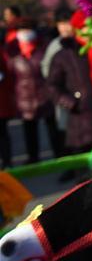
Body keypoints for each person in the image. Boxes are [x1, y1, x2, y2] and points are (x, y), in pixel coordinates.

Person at [45, 12, 92, 154]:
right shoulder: (63, 55)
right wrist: (72, 102)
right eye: (84, 27)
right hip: (81, 121)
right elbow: (52, 85)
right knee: (86, 171)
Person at [10, 29, 64, 164]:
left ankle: (59, 156)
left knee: (53, 131)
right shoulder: (15, 59)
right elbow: (11, 79)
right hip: (25, 100)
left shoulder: (42, 55)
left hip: (45, 97)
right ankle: (32, 158)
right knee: (29, 132)